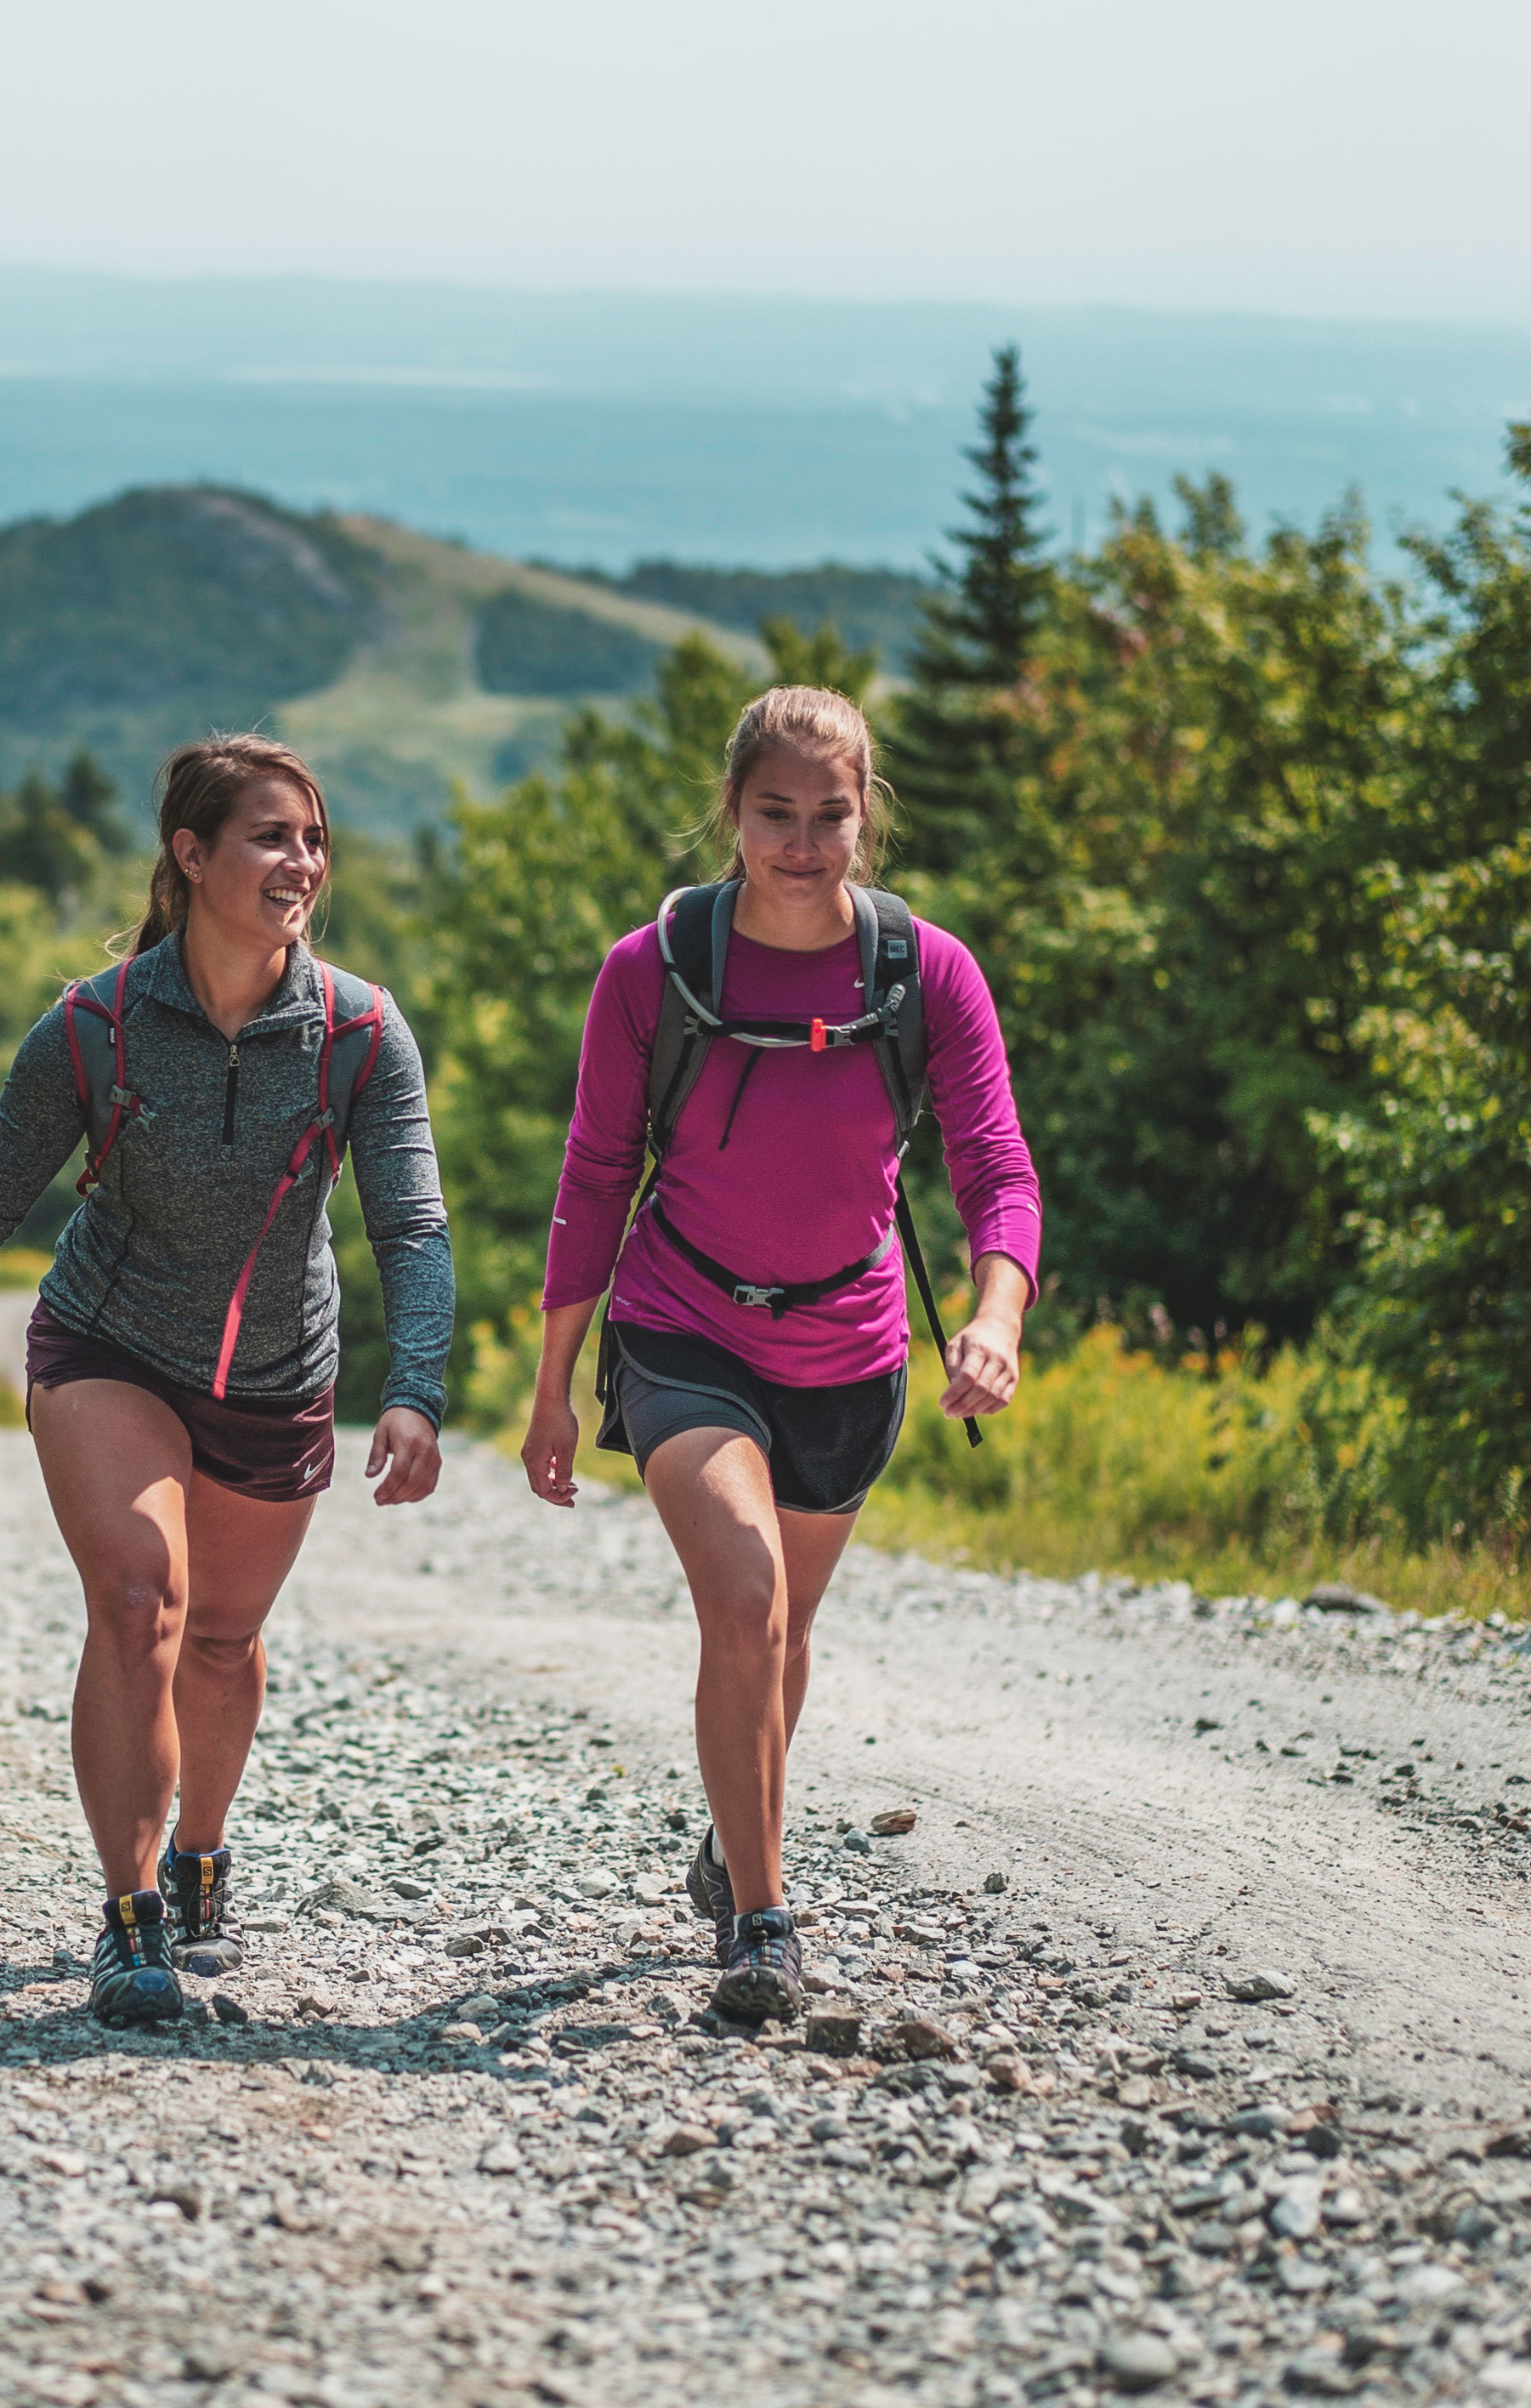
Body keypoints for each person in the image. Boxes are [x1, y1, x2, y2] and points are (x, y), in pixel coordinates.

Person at [0, 735, 453, 2028]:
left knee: (221, 1640)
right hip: (109, 1345)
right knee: (143, 1603)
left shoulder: (362, 1033)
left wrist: (413, 1385)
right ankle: (130, 1907)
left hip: (278, 1370)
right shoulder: (92, 1030)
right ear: (191, 857)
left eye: (313, 839)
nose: (299, 861)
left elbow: (412, 1228)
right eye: (270, 836)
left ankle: (202, 1849)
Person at [519, 685, 1040, 2025]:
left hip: (852, 1346)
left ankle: (729, 1835)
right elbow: (594, 1174)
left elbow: (996, 1164)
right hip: (683, 1323)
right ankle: (762, 1918)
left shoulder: (928, 975)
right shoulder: (655, 970)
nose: (803, 843)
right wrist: (553, 1389)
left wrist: (996, 1315)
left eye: (831, 815)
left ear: (867, 817)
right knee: (745, 1599)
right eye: (775, 815)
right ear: (734, 814)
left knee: (786, 1631)